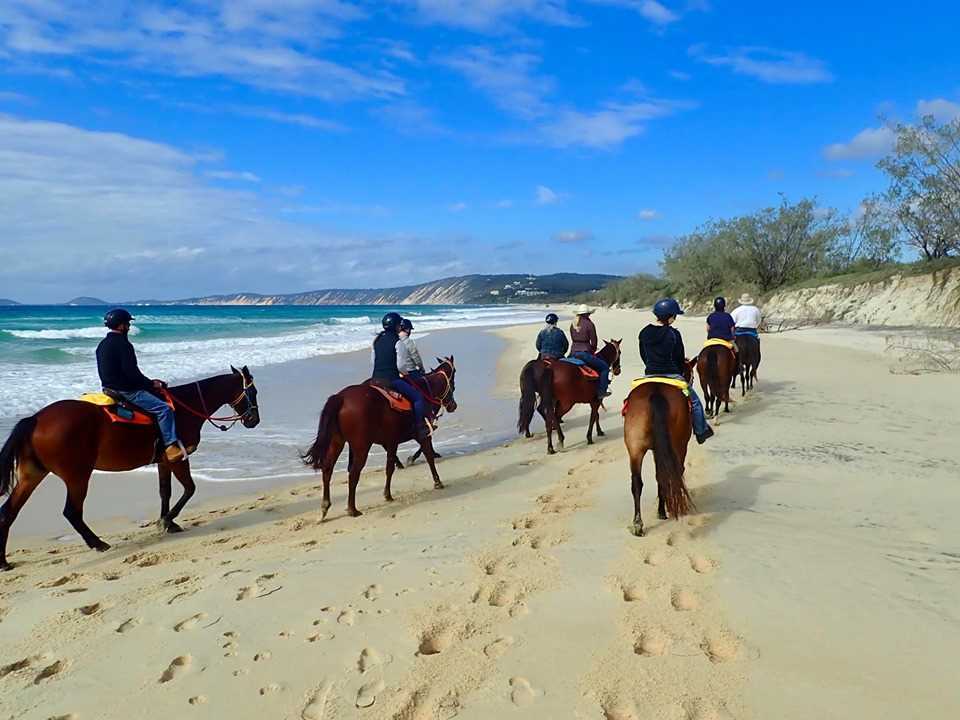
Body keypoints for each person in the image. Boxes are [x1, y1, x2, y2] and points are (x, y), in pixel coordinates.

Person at [96, 308, 184, 462]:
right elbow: (132, 373)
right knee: (164, 410)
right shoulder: (123, 344)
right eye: (127, 324)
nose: (129, 327)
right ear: (121, 325)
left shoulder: (102, 344)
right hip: (126, 390)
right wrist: (151, 384)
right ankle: (170, 446)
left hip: (108, 388)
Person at [638, 298, 714, 444]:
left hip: (650, 374)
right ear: (671, 316)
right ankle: (701, 431)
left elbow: (643, 355)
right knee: (695, 403)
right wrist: (678, 371)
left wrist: (651, 366)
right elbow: (679, 358)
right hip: (672, 375)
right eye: (675, 315)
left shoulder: (644, 332)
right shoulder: (673, 334)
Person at [371, 312, 429, 439]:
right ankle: (419, 427)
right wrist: (406, 375)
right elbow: (401, 366)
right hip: (391, 380)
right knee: (418, 398)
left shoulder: (376, 340)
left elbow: (373, 361)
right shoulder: (398, 342)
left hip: (375, 379)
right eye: (399, 325)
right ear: (396, 326)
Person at [569, 304, 611, 398]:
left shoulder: (573, 324)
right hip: (584, 353)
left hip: (572, 352)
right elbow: (594, 341)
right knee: (604, 368)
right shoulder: (589, 324)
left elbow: (572, 338)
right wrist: (593, 349)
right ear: (587, 314)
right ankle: (602, 392)